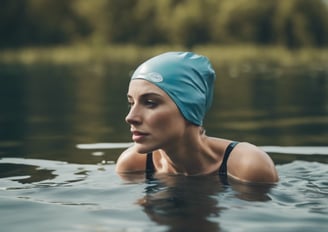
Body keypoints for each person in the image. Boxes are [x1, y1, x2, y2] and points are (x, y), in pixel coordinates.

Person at [115, 51, 278, 184]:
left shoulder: (249, 166)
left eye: (150, 103)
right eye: (131, 103)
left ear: (190, 107)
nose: (130, 117)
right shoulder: (133, 164)